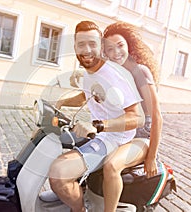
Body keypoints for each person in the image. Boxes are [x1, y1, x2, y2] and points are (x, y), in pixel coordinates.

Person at [48, 20, 145, 212]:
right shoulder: (89, 73)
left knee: (58, 173)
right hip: (99, 134)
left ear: (100, 46)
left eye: (92, 43)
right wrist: (60, 102)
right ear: (74, 46)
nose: (87, 49)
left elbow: (138, 117)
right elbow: (87, 95)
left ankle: (79, 209)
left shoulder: (114, 76)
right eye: (81, 44)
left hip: (115, 138)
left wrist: (99, 125)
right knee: (57, 147)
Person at [70, 21, 163, 212]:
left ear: (128, 44)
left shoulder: (140, 72)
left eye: (120, 45)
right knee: (75, 146)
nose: (116, 52)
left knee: (112, 166)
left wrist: (151, 156)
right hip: (116, 133)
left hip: (140, 137)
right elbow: (89, 93)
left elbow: (156, 117)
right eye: (110, 49)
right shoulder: (110, 72)